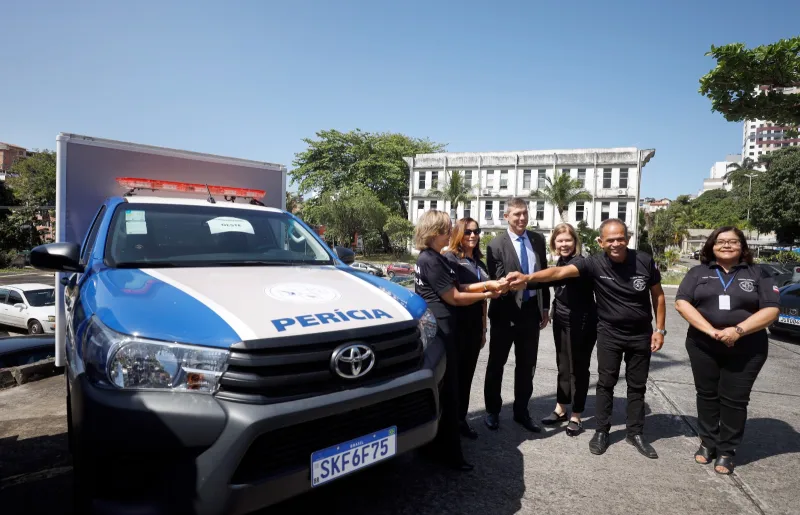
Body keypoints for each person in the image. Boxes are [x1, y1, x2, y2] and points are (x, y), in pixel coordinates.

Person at [507, 218, 666, 458]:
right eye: (610, 240)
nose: (615, 244)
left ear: (628, 238)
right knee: (605, 383)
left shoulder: (643, 260)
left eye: (620, 238)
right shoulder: (594, 263)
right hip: (608, 332)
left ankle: (635, 433)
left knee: (637, 386)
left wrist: (660, 329)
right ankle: (601, 431)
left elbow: (658, 295)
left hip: (636, 333)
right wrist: (526, 278)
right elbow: (558, 272)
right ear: (600, 242)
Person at [675, 226, 779, 475]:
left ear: (743, 247)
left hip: (747, 346)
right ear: (711, 246)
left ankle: (727, 450)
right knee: (707, 395)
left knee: (735, 399)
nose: (726, 245)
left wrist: (738, 331)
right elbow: (682, 302)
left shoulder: (758, 273)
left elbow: (771, 310)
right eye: (720, 241)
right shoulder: (698, 272)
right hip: (704, 344)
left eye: (733, 241)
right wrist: (712, 331)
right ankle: (708, 442)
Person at [413, 210, 505, 471]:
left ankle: (437, 447)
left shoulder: (435, 258)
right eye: (447, 229)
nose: (450, 232)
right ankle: (448, 453)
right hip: (442, 330)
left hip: (447, 328)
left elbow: (464, 287)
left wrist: (489, 286)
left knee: (450, 390)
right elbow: (454, 296)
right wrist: (487, 295)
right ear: (434, 232)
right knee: (449, 392)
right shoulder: (430, 259)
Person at [483, 198, 551, 433]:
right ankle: (492, 410)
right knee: (496, 364)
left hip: (531, 312)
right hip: (504, 313)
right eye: (516, 215)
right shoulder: (495, 245)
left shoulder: (538, 240)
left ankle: (522, 411)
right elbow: (500, 279)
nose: (522, 218)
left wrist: (544, 307)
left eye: (524, 214)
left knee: (527, 365)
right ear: (506, 217)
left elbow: (543, 276)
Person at [539, 223, 597, 437]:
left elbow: (557, 275)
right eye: (559, 240)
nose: (564, 244)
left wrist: (525, 280)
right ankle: (561, 408)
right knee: (563, 365)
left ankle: (577, 415)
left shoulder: (580, 262)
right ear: (554, 243)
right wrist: (553, 311)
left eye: (568, 240)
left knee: (578, 369)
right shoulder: (561, 260)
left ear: (575, 242)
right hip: (562, 320)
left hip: (582, 322)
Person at [442, 217, 492, 439]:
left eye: (476, 231)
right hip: (456, 326)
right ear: (458, 234)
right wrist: (487, 287)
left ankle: (461, 419)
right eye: (468, 231)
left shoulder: (479, 263)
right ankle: (447, 423)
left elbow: (484, 301)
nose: (473, 235)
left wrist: (483, 330)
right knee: (452, 378)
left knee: (467, 378)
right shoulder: (449, 258)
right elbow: (454, 290)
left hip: (474, 328)